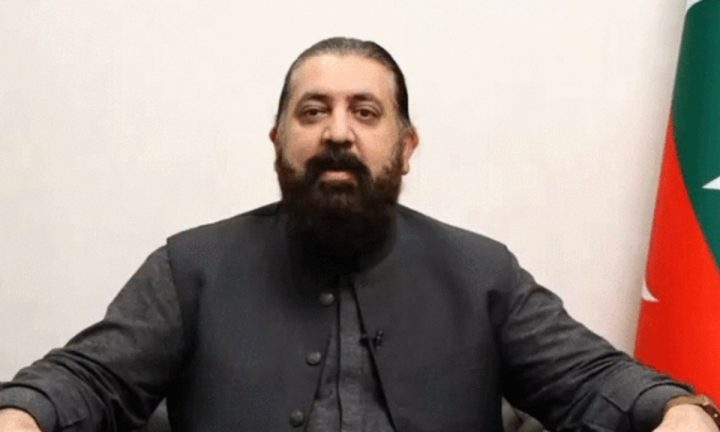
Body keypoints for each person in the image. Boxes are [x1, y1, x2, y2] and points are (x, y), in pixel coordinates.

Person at [0, 37, 717, 432]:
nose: (338, 132)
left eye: (365, 112)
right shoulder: (191, 268)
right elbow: (88, 378)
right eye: (313, 111)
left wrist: (678, 413)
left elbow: (593, 379)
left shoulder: (482, 274)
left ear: (406, 146)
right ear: (278, 140)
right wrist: (23, 418)